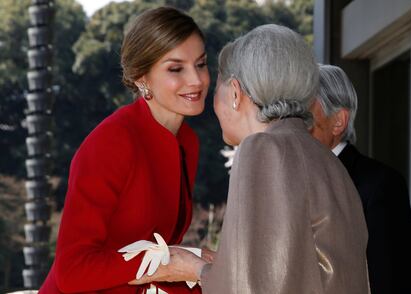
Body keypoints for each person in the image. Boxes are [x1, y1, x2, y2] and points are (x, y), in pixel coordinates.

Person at [130, 24, 370, 294]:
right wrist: (223, 264)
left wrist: (193, 268)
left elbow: (251, 286)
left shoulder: (263, 149)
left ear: (235, 93)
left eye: (217, 89)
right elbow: (288, 269)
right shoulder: (326, 159)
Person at [39, 6, 210, 294]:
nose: (196, 80)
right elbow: (72, 271)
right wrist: (170, 265)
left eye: (201, 64)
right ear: (142, 78)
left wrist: (205, 266)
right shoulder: (112, 142)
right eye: (176, 68)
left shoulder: (187, 141)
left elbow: (149, 254)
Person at [310, 64, 411, 294]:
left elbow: (392, 281)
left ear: (338, 120)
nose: (293, 126)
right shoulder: (292, 180)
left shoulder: (380, 185)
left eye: (303, 115)